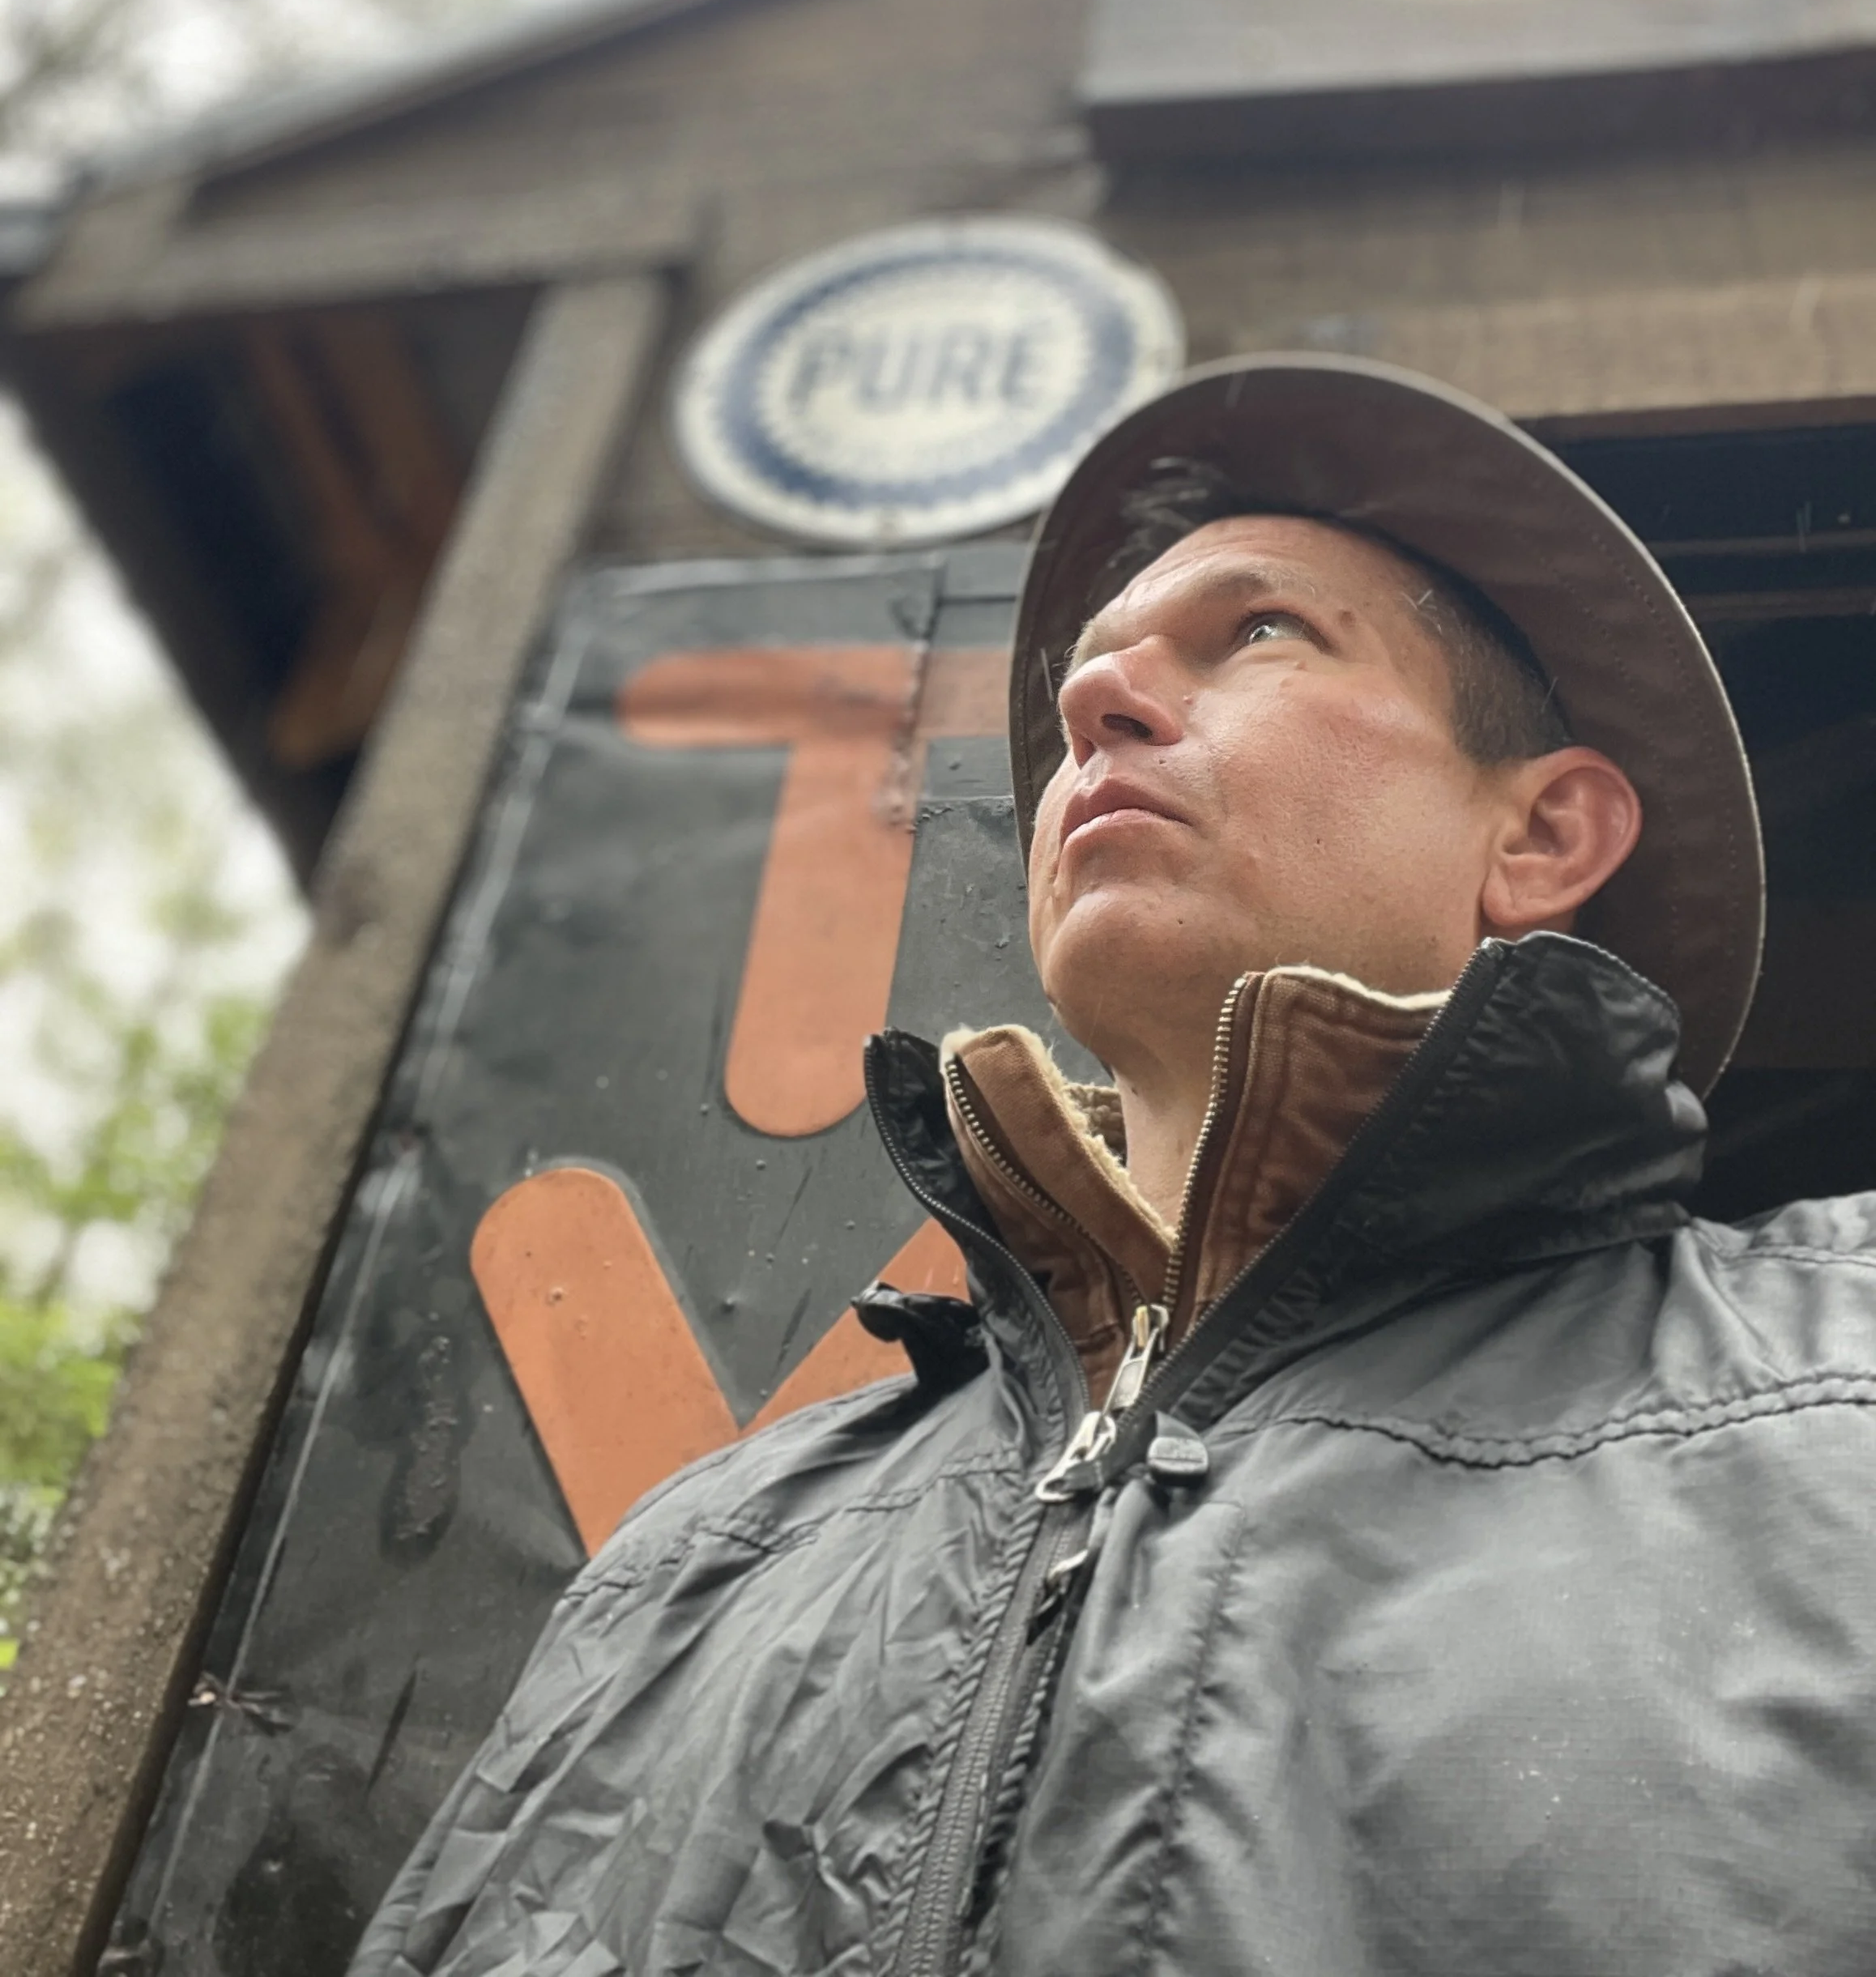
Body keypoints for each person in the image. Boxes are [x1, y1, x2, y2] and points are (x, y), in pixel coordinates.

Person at [354, 356, 1876, 1977]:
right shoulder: (690, 1558)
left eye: (1262, 632)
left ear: (1543, 838)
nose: (1095, 706)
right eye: (1096, 672)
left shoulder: (1845, 1373)